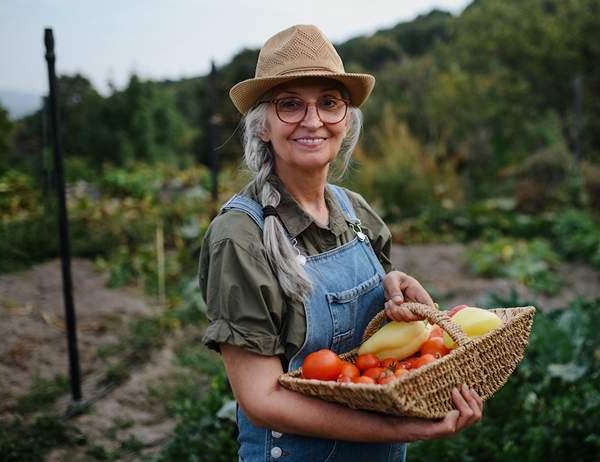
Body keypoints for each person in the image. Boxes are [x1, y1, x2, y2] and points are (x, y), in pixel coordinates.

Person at [198, 25, 483, 462]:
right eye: (289, 104)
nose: (312, 121)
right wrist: (400, 426)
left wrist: (395, 292)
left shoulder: (356, 213)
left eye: (329, 103)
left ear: (345, 120)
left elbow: (375, 352)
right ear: (262, 126)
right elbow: (262, 400)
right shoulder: (240, 236)